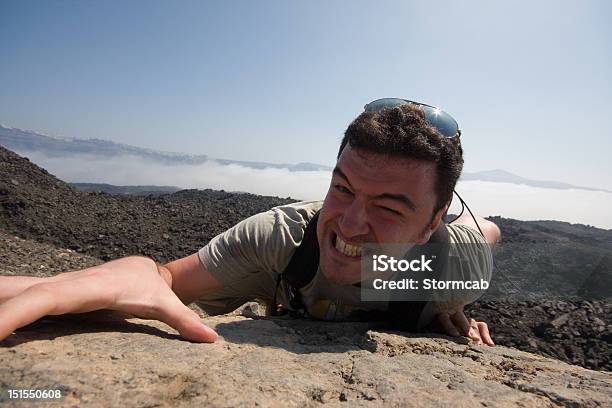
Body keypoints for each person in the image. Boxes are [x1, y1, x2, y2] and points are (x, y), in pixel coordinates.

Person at [0, 98, 500, 346]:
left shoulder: (455, 268)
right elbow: (163, 283)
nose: (349, 225)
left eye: (390, 208)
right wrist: (145, 270)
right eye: (343, 188)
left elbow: (489, 232)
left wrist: (437, 307)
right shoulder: (283, 239)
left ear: (434, 221)